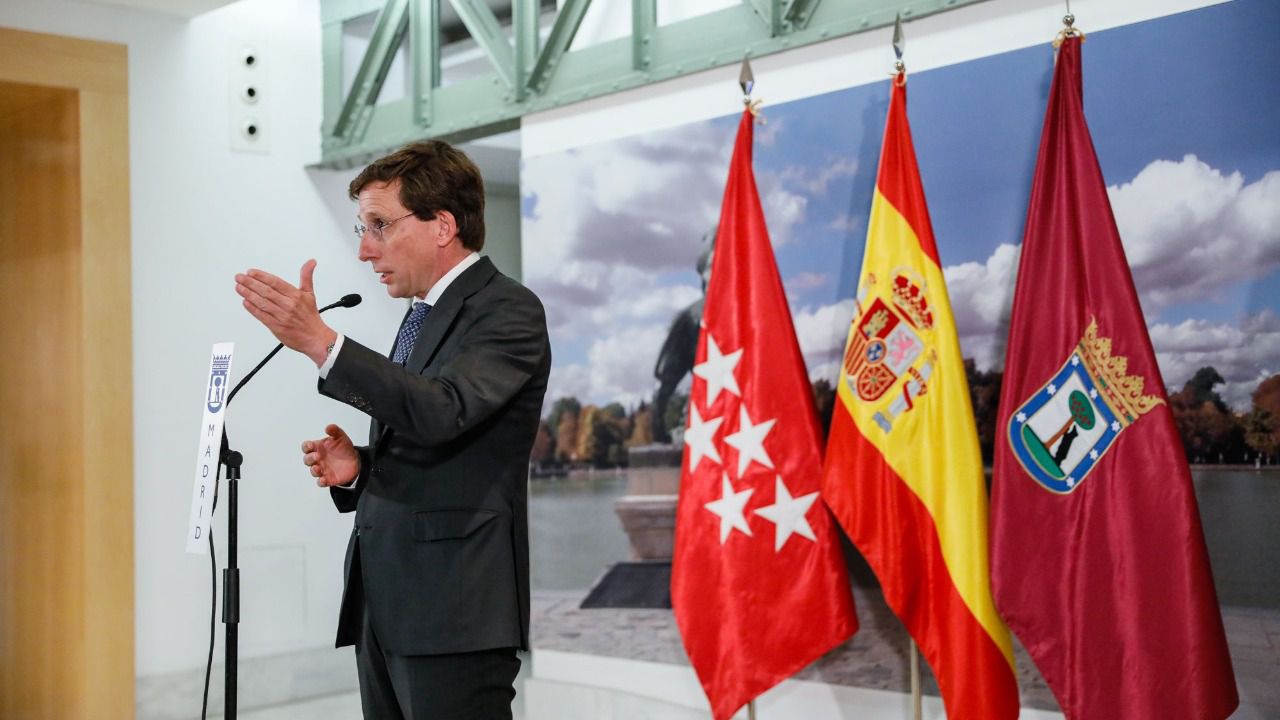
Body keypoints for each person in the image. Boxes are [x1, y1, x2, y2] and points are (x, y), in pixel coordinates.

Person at [233, 140, 550, 720]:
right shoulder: (422, 313)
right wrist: (362, 465)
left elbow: (445, 409)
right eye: (362, 227)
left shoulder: (508, 308)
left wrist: (323, 344)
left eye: (379, 225)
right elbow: (427, 430)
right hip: (387, 606)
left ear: (442, 225)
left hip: (455, 612)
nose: (363, 249)